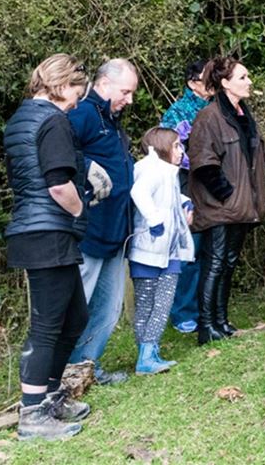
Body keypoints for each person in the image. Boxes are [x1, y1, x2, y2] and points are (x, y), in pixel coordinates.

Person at [5, 54, 92, 440]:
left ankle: (52, 395)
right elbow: (58, 184)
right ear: (61, 86)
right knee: (46, 326)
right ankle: (33, 414)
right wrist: (79, 211)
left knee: (75, 317)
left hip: (35, 229)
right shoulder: (54, 119)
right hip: (48, 230)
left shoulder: (21, 117)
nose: (77, 101)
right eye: (77, 91)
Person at [187, 56, 265, 344]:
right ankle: (206, 327)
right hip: (221, 207)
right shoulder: (209, 116)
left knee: (229, 262)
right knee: (215, 263)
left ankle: (220, 321)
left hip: (242, 205)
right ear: (225, 83)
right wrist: (227, 193)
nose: (249, 82)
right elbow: (203, 162)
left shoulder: (243, 114)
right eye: (243, 77)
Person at [67, 58, 138, 385]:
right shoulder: (82, 114)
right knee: (76, 307)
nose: (129, 99)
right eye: (126, 91)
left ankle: (87, 369)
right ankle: (60, 375)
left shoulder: (111, 120)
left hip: (116, 231)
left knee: (108, 311)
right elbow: (59, 154)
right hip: (89, 231)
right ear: (104, 83)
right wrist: (86, 167)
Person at [128, 127, 195, 374]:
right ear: (162, 147)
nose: (181, 151)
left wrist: (184, 201)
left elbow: (167, 198)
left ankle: (147, 351)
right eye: (177, 145)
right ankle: (146, 356)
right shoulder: (154, 170)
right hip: (150, 249)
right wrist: (155, 221)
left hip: (167, 250)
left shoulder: (166, 173)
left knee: (159, 304)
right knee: (152, 305)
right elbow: (140, 193)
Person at [160, 59, 213, 334]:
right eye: (207, 78)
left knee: (211, 249)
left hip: (216, 185)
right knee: (189, 248)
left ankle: (207, 307)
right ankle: (183, 312)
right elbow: (167, 151)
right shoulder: (178, 112)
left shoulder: (220, 107)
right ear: (193, 82)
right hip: (188, 184)